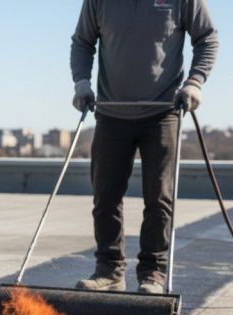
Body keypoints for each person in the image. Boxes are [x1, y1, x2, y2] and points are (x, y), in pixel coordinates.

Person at [70, 0, 218, 293]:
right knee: (106, 196)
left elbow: (207, 38)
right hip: (112, 112)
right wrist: (81, 83)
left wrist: (195, 82)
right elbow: (82, 43)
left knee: (159, 198)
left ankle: (153, 273)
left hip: (162, 113)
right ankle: (109, 270)